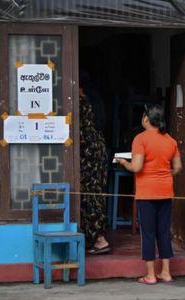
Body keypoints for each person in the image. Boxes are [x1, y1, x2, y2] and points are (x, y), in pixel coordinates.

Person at [117, 104, 182, 285]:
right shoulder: (171, 141)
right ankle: (166, 272)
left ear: (146, 118)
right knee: (163, 232)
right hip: (166, 192)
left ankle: (151, 275)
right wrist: (164, 175)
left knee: (148, 233)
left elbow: (136, 167)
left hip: (146, 193)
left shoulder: (140, 139)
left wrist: (124, 163)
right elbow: (177, 167)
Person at [79, 83, 110, 254]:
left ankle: (98, 238)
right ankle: (98, 237)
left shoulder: (82, 104)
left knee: (88, 197)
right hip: (98, 151)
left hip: (87, 155)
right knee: (96, 195)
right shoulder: (96, 103)